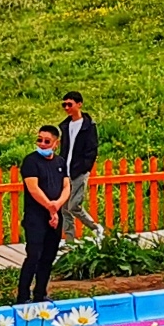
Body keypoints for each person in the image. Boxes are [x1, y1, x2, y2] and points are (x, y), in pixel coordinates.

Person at [16, 124, 68, 304]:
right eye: (40, 140)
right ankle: (23, 296)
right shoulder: (30, 161)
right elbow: (33, 188)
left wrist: (57, 206)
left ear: (56, 143)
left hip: (54, 217)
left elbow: (66, 187)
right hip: (35, 217)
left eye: (47, 141)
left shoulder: (60, 162)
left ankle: (40, 293)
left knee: (49, 255)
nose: (43, 144)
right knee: (34, 255)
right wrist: (50, 207)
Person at [56, 92, 102, 240]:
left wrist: (84, 167)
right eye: (64, 105)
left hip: (79, 171)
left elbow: (92, 149)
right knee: (64, 209)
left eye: (70, 104)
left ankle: (95, 227)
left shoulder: (88, 126)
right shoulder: (65, 125)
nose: (66, 107)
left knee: (74, 206)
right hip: (65, 171)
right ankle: (70, 242)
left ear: (79, 104)